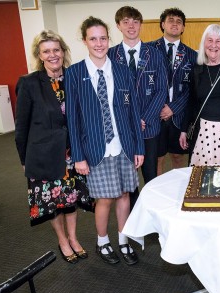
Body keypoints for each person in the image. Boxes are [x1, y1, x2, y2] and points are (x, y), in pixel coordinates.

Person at [66, 17, 144, 265]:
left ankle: (122, 240)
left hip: (123, 147)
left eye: (103, 38)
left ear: (109, 39)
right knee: (105, 199)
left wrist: (139, 147)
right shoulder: (75, 73)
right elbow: (73, 120)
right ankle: (103, 242)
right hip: (95, 149)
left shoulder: (121, 71)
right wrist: (78, 156)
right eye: (93, 39)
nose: (99, 44)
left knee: (123, 196)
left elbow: (133, 113)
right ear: (84, 41)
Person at [15, 30, 94, 264]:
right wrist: (23, 159)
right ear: (39, 56)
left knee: (70, 200)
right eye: (46, 51)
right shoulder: (29, 83)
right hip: (43, 154)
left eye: (56, 50)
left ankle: (74, 237)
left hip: (72, 153)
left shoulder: (74, 77)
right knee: (52, 203)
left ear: (63, 52)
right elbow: (22, 126)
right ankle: (62, 240)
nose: (52, 55)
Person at [108, 6, 167, 190]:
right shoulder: (110, 55)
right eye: (125, 22)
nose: (131, 26)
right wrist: (130, 121)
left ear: (141, 24)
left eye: (135, 21)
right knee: (128, 181)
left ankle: (150, 215)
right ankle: (132, 216)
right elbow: (109, 93)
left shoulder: (155, 54)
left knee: (150, 176)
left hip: (149, 126)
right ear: (118, 25)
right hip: (123, 128)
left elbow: (161, 90)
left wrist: (143, 119)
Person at [179, 24, 220, 165]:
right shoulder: (197, 69)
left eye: (218, 41)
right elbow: (191, 102)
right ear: (204, 44)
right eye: (210, 40)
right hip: (202, 132)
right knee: (201, 178)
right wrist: (183, 130)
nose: (214, 45)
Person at [148, 8, 197, 174]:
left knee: (178, 157)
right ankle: (158, 195)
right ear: (163, 24)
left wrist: (173, 107)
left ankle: (180, 193)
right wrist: (159, 107)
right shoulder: (148, 51)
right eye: (170, 20)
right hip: (154, 115)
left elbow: (193, 89)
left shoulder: (192, 55)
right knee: (156, 158)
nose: (174, 24)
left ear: (183, 27)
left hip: (180, 116)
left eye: (179, 21)